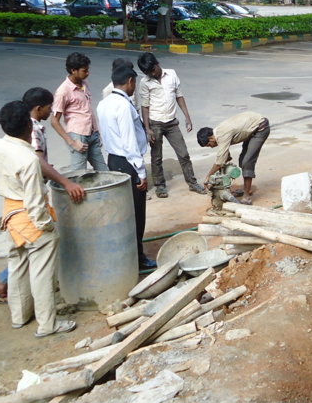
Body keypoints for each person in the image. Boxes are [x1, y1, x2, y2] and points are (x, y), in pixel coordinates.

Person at [0, 88, 86, 304]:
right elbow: (37, 162)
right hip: (28, 204)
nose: (52, 111)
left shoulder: (3, 141)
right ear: (38, 109)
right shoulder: (32, 132)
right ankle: (37, 305)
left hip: (15, 207)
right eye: (49, 107)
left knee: (22, 253)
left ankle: (16, 302)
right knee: (39, 254)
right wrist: (65, 182)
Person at [98, 66, 156, 270]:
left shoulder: (104, 103)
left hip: (114, 160)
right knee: (136, 213)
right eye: (134, 83)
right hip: (128, 162)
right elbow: (129, 141)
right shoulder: (123, 105)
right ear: (130, 81)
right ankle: (137, 258)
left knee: (122, 211)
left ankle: (126, 254)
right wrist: (141, 172)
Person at [136, 52, 207, 198]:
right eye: (148, 73)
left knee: (183, 154)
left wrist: (187, 117)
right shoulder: (144, 82)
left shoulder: (172, 74)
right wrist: (147, 129)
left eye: (153, 70)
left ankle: (192, 182)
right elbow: (145, 106)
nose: (152, 74)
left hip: (172, 123)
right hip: (155, 123)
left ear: (157, 64)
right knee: (156, 157)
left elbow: (179, 96)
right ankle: (160, 186)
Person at [51, 52, 108, 173]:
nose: (87, 73)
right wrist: (72, 142)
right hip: (78, 136)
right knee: (79, 174)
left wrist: (96, 132)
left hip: (92, 133)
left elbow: (87, 110)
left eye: (88, 70)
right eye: (84, 71)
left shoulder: (84, 84)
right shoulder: (63, 91)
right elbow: (54, 121)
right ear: (73, 70)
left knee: (104, 171)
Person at [197, 112, 269, 205]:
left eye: (209, 145)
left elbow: (219, 162)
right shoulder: (218, 133)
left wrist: (208, 176)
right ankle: (247, 188)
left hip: (260, 128)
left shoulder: (222, 134)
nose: (211, 147)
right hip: (251, 127)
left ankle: (246, 197)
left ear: (211, 138)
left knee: (247, 162)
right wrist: (225, 159)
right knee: (242, 160)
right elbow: (224, 155)